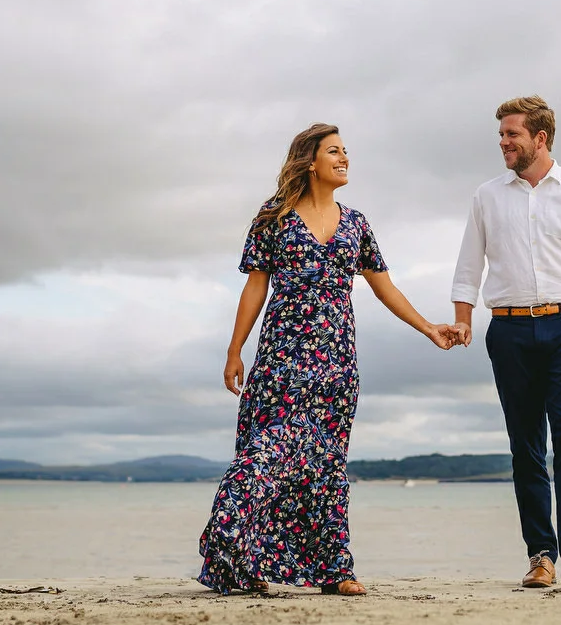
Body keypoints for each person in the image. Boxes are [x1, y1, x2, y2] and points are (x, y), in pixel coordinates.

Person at [198, 122, 465, 595]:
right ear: (310, 161)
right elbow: (255, 285)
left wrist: (428, 328)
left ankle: (335, 571)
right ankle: (234, 553)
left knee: (326, 467)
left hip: (338, 367)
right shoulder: (274, 217)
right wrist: (234, 349)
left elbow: (384, 287)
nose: (344, 159)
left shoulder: (357, 223)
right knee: (264, 458)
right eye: (334, 152)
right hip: (282, 361)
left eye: (346, 152)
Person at [451, 96, 561, 588]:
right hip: (509, 331)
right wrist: (462, 320)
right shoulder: (486, 196)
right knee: (525, 444)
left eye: (511, 135)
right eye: (501, 135)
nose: (503, 142)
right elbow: (468, 266)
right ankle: (541, 556)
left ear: (539, 138)